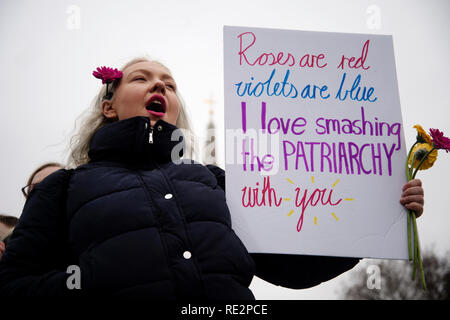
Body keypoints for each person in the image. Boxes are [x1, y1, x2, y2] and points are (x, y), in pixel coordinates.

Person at [0, 57, 425, 298]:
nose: (159, 86)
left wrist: (379, 216)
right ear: (109, 106)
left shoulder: (213, 180)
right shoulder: (66, 187)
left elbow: (292, 266)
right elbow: (13, 283)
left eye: (169, 82)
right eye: (142, 78)